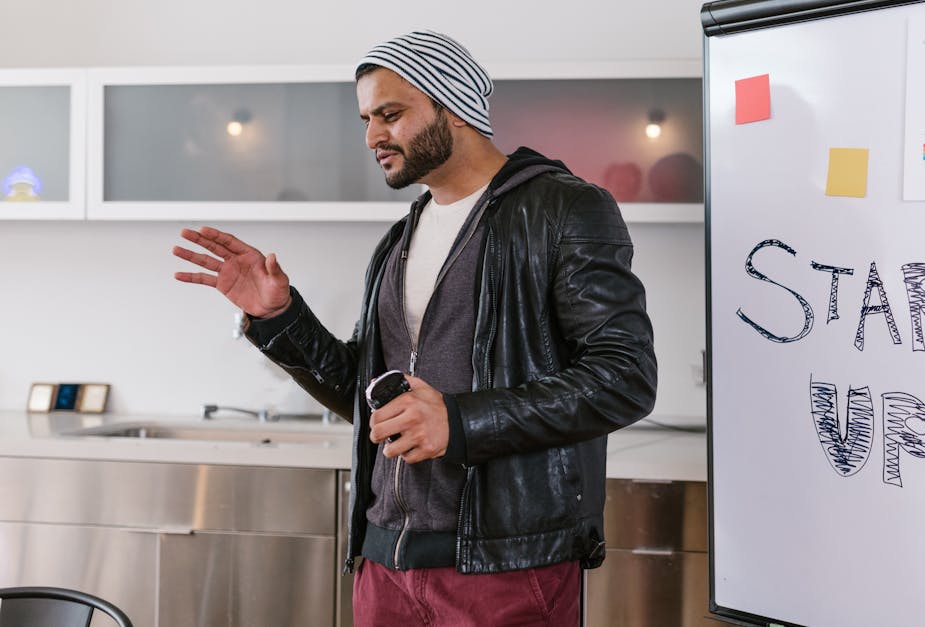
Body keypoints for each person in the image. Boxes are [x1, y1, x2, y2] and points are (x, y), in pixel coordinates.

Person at [172, 30, 657, 626]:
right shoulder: (399, 239)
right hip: (385, 562)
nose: (373, 136)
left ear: (453, 107)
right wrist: (280, 318)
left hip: (505, 567)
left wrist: (458, 421)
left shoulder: (563, 209)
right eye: (366, 119)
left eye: (391, 114)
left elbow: (624, 377)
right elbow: (371, 398)